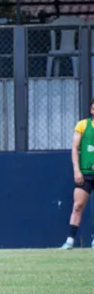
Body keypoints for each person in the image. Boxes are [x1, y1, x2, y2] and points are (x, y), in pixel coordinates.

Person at [61, 101, 94, 250]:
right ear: (91, 108)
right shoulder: (82, 125)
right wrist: (77, 170)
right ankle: (70, 240)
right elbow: (74, 148)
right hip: (86, 174)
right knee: (78, 205)